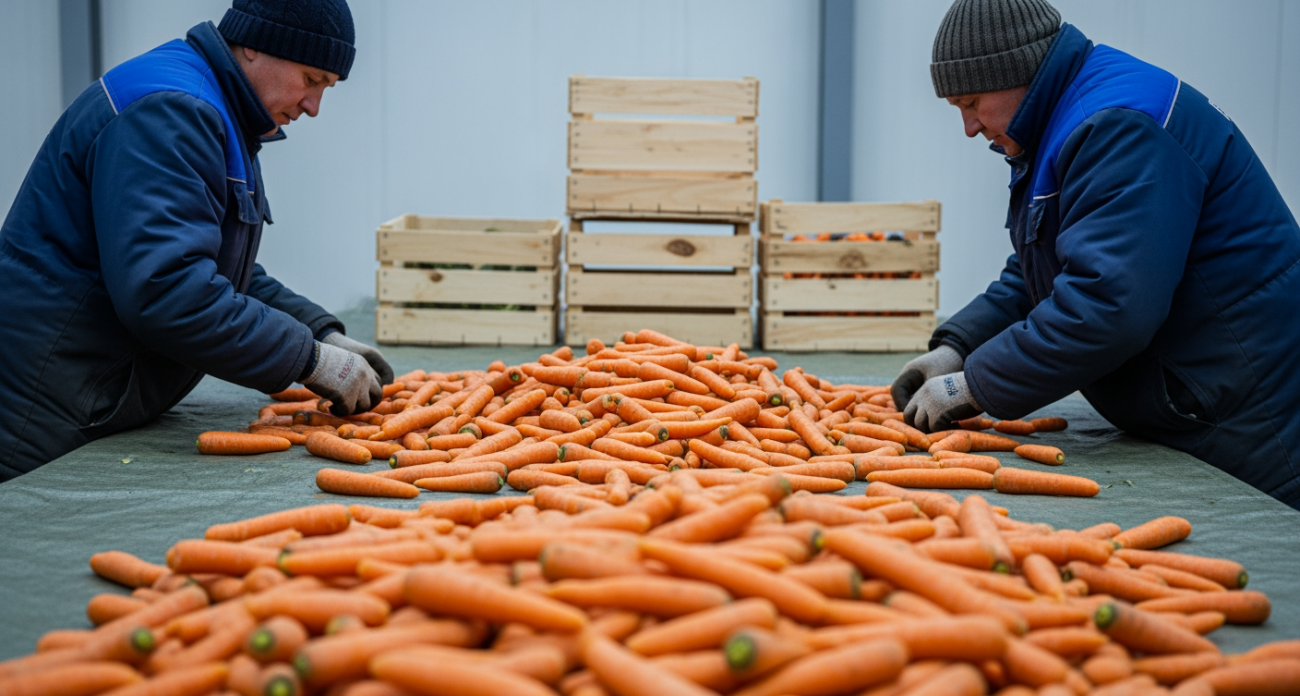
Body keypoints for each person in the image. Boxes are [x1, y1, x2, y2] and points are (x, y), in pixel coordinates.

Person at [891, 0, 1300, 508]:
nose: (970, 127)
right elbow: (1042, 269)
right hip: (1203, 403)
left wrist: (970, 385)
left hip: (1248, 417)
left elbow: (1107, 306)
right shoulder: (1063, 119)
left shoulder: (1117, 127)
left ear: (1018, 71)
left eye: (972, 103)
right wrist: (958, 347)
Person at [0, 0, 392, 480]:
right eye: (311, 79)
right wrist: (309, 359)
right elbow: (168, 290)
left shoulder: (215, 109)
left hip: (84, 394)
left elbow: (220, 272)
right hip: (44, 411)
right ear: (255, 45)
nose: (313, 107)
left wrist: (322, 333)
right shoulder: (174, 113)